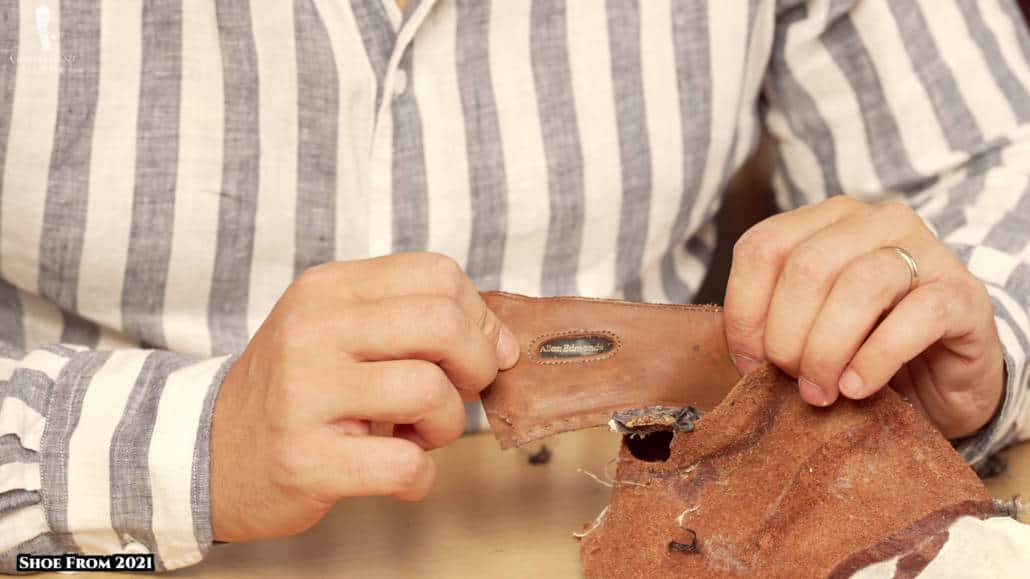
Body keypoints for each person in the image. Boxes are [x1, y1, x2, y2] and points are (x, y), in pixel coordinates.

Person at [0, 0, 1028, 572]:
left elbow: (988, 166)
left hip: (667, 535)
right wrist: (178, 440)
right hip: (84, 551)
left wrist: (950, 334)